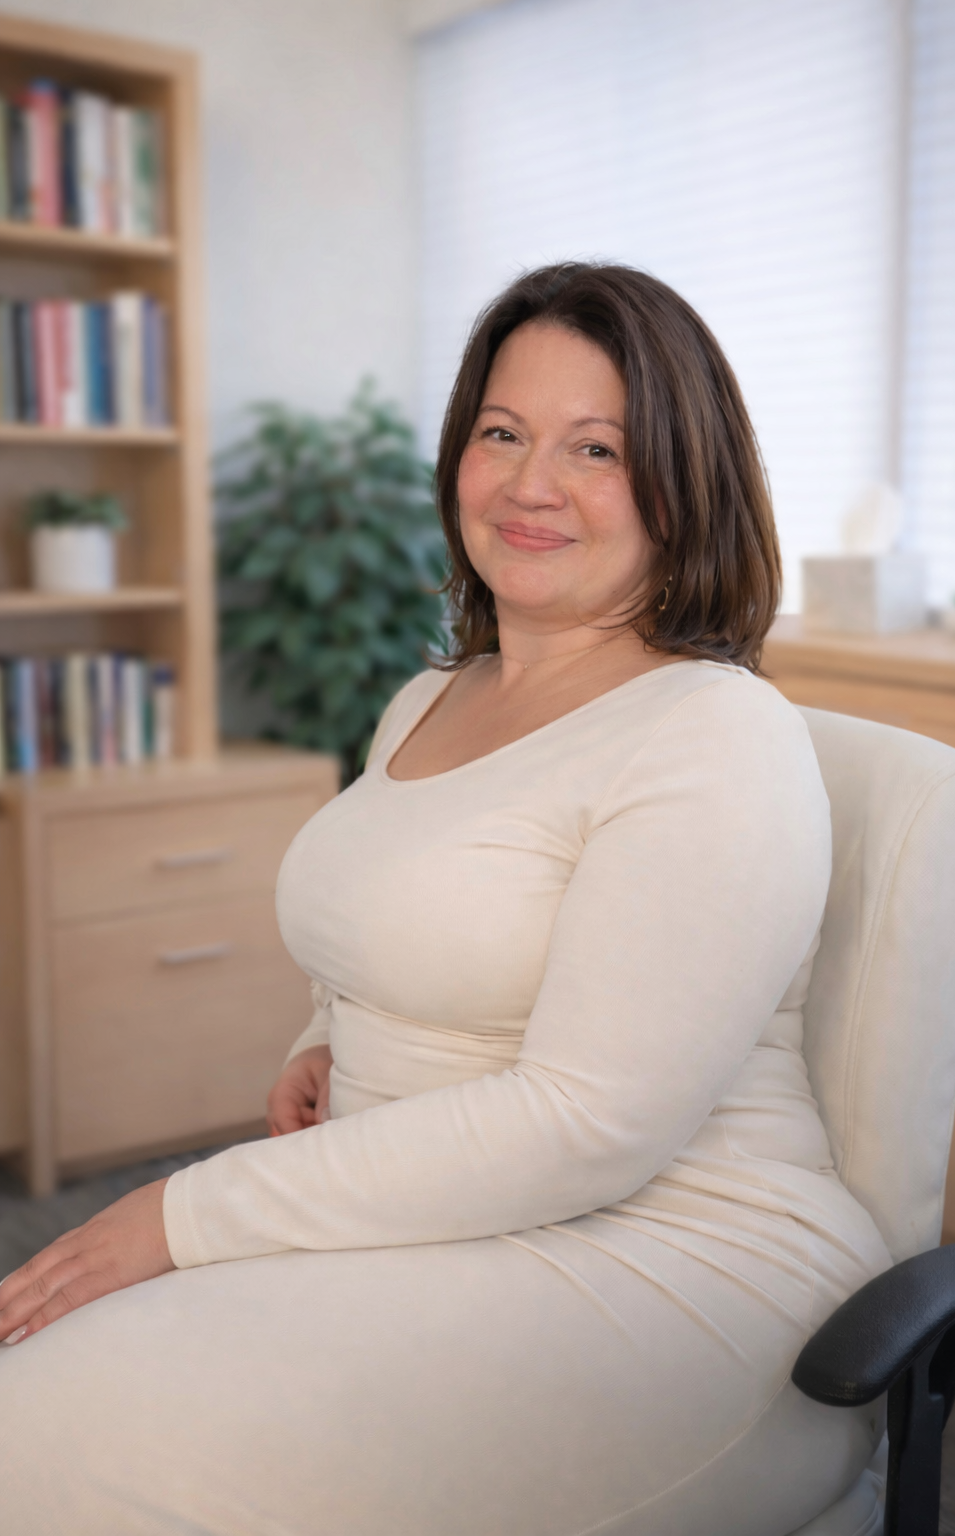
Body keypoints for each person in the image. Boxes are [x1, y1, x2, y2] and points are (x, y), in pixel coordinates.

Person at [0, 263, 891, 1535]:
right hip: (435, 1217)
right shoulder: (430, 696)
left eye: (596, 448)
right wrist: (330, 1033)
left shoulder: (712, 734)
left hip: (673, 1261)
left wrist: (184, 1210)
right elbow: (402, 914)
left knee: (63, 1442)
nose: (533, 484)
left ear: (684, 482)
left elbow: (591, 1124)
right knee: (41, 1396)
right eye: (502, 432)